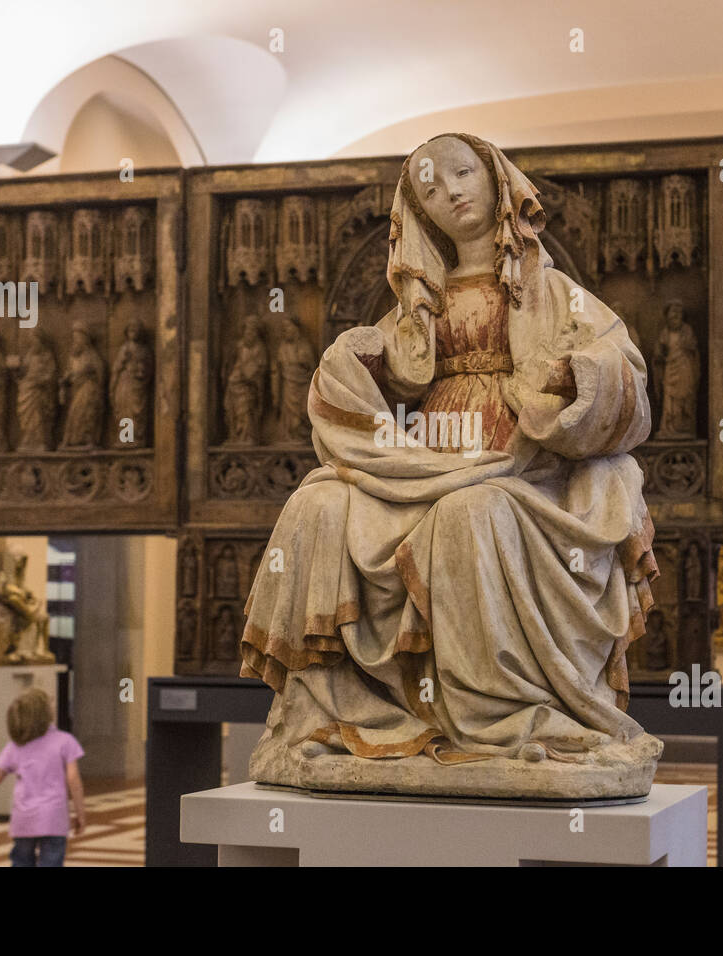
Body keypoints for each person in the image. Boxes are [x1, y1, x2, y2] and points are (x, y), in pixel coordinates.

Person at [239, 132, 660, 790]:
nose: (453, 193)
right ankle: (331, 712)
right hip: (419, 463)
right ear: (419, 211)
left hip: (522, 469)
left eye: (464, 173)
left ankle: (492, 718)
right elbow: (375, 374)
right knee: (315, 503)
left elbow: (622, 370)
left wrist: (575, 375)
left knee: (467, 515)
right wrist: (354, 359)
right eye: (432, 189)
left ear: (495, 179)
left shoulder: (551, 291)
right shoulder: (416, 305)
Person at [0, 688, 86, 867]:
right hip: (54, 818)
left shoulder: (15, 746)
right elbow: (73, 779)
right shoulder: (65, 741)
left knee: (21, 860)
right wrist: (80, 812)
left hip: (24, 818)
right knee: (52, 860)